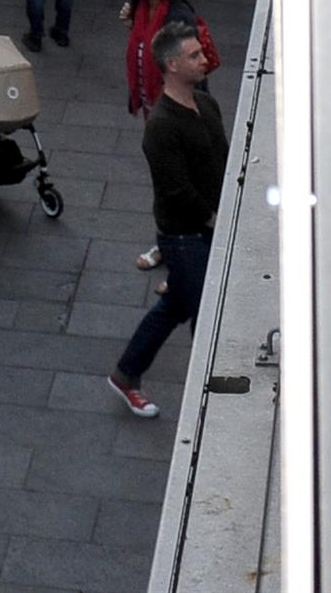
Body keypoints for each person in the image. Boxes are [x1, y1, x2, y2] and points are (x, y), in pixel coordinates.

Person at [105, 21, 225, 419]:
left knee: (176, 305)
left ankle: (126, 375)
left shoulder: (207, 106)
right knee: (205, 314)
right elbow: (176, 188)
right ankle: (211, 395)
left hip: (208, 230)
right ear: (172, 65)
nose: (204, 59)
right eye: (194, 56)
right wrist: (213, 219)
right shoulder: (161, 127)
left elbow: (222, 163)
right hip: (185, 236)